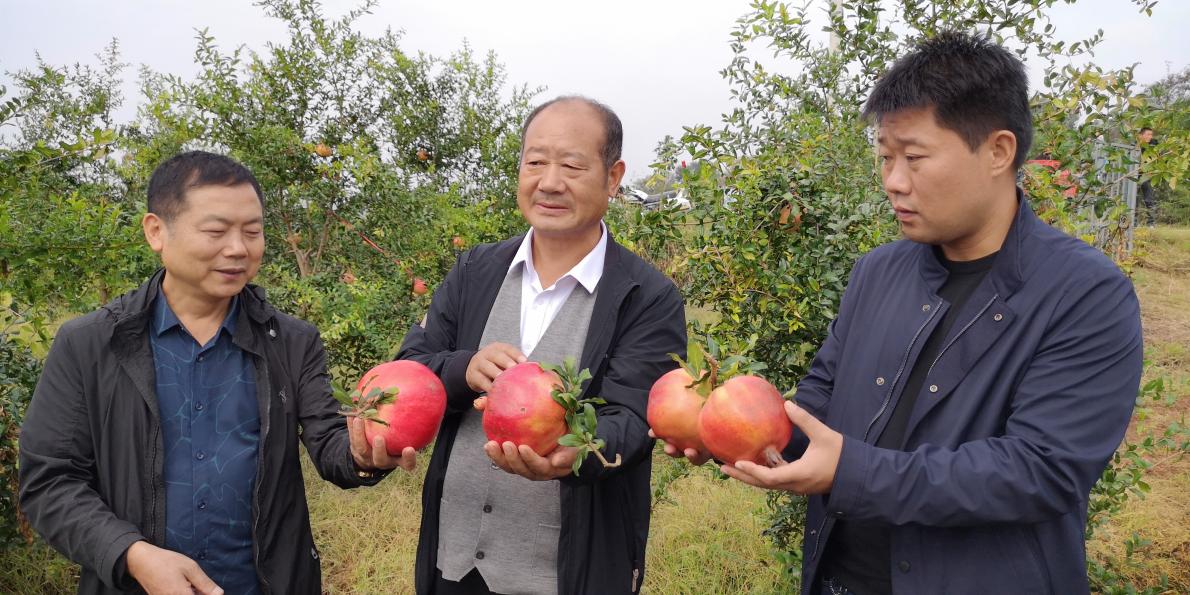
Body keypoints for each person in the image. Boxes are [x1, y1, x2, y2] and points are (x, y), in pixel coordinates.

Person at [662, 32, 1143, 594]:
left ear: (998, 151)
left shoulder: (1084, 293)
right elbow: (823, 396)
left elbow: (1040, 471)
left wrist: (851, 472)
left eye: (914, 157)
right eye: (886, 157)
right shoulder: (879, 272)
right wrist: (742, 435)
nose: (893, 181)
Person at [19, 151, 405, 595]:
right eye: (216, 231)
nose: (238, 248)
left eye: (253, 232)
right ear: (156, 231)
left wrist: (362, 452)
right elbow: (50, 481)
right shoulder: (90, 345)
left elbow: (329, 441)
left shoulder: (292, 342)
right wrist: (131, 553)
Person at [397, 96, 687, 595]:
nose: (549, 182)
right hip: (456, 562)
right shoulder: (475, 271)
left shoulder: (646, 297)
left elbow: (636, 419)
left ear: (613, 177)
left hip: (565, 573)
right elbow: (412, 368)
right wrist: (464, 371)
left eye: (572, 165)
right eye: (535, 162)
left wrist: (573, 453)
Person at [1137, 126, 1158, 226]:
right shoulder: (1135, 145)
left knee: (1149, 199)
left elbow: (1160, 155)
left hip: (1147, 174)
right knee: (1133, 198)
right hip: (1134, 174)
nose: (1150, 136)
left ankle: (1151, 224)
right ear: (1141, 135)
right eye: (1148, 134)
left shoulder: (1154, 143)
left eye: (1151, 134)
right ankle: (1133, 223)